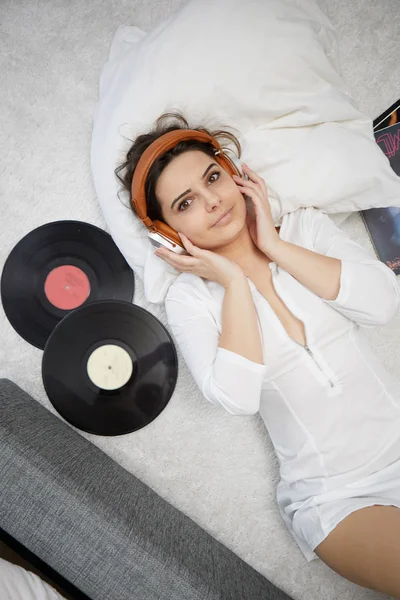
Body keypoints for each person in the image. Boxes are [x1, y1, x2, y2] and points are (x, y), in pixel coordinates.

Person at [116, 112, 400, 597]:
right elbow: (236, 395)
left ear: (234, 173)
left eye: (212, 178)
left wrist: (271, 242)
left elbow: (382, 303)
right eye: (186, 203)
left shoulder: (305, 229)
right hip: (337, 498)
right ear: (166, 232)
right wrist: (232, 281)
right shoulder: (191, 299)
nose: (212, 202)